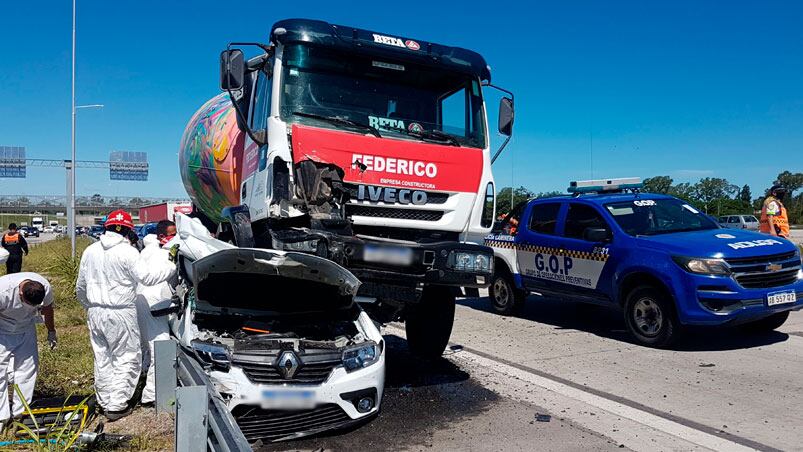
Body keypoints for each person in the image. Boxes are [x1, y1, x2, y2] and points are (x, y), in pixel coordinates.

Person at [75, 210, 175, 421]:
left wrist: (90, 306)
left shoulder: (90, 251)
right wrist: (170, 266)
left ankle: (104, 400)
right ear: (128, 230)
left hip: (95, 312)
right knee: (126, 356)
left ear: (106, 227)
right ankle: (117, 405)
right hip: (121, 311)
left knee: (102, 358)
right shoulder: (128, 252)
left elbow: (80, 287)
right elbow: (147, 278)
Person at [0, 273, 55, 425]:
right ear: (20, 293)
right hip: (3, 329)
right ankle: (1, 416)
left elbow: (48, 309)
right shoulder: (3, 291)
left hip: (26, 328)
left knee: (28, 368)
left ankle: (21, 411)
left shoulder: (45, 287)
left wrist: (51, 331)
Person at [135, 220, 176, 407]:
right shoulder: (164, 254)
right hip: (155, 304)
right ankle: (151, 395)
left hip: (141, 301)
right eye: (172, 234)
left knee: (147, 347)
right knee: (162, 348)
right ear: (161, 236)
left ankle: (142, 379)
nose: (174, 237)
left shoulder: (146, 250)